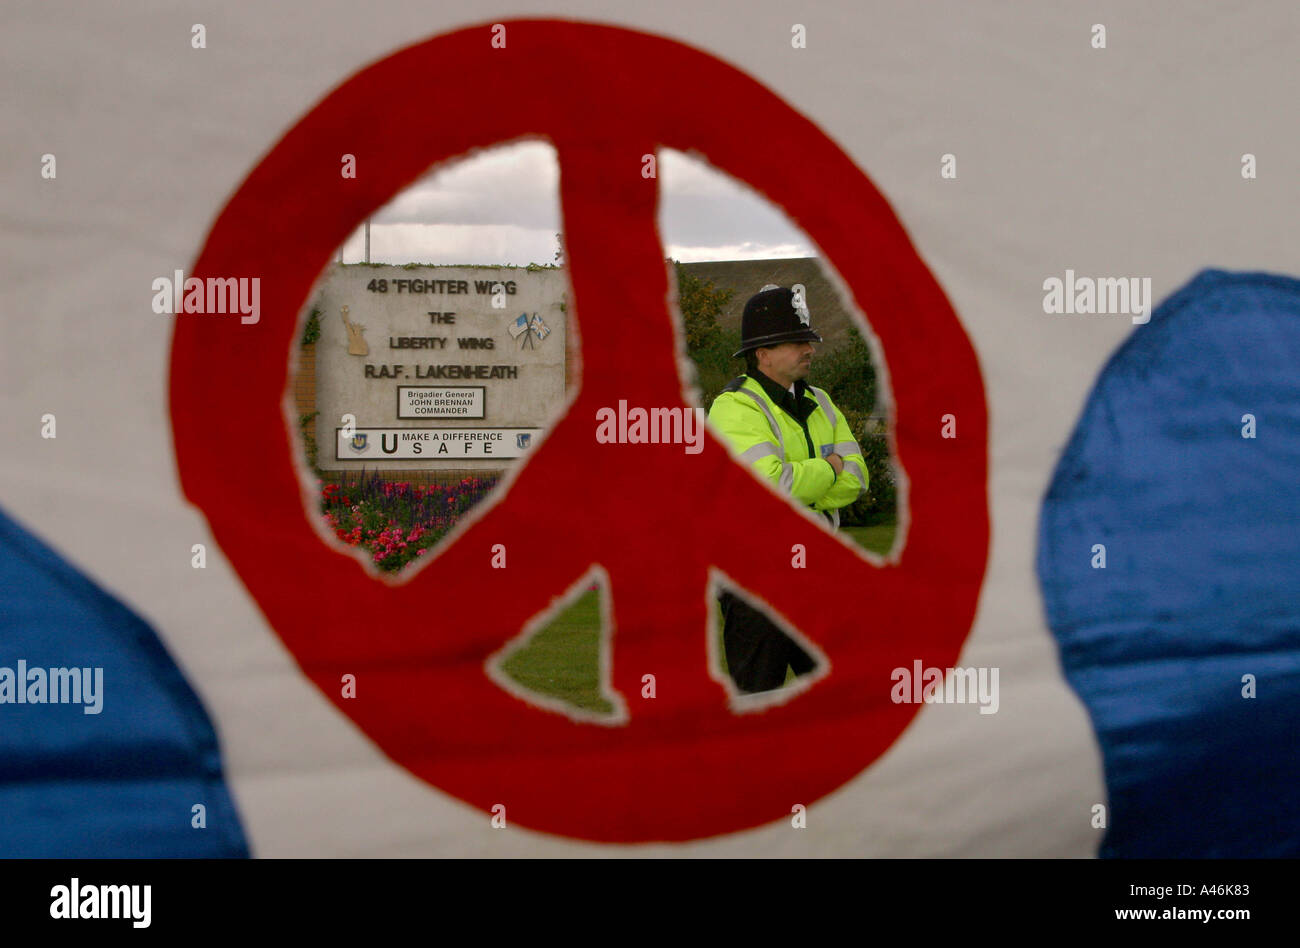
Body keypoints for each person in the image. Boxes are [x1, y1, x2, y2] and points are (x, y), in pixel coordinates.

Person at [707, 284, 869, 693]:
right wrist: (830, 469)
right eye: (796, 342)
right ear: (762, 354)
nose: (808, 348)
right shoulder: (733, 407)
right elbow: (774, 485)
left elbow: (858, 478)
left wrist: (809, 481)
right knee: (762, 704)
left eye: (808, 339)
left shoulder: (822, 401)